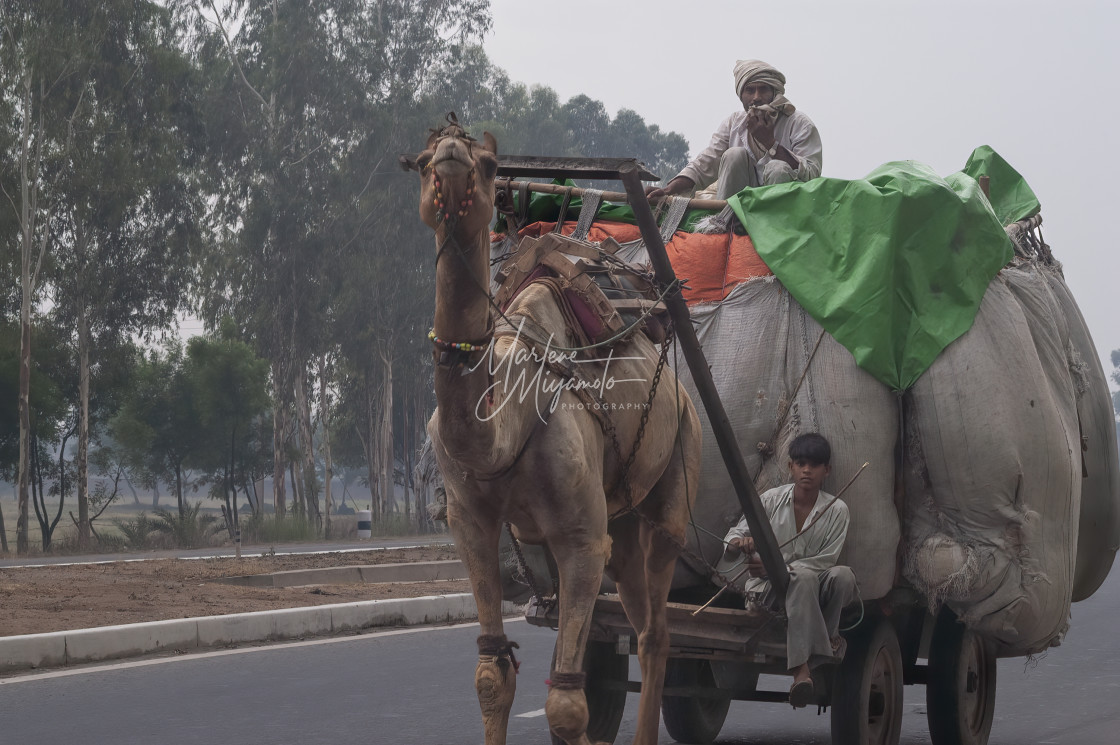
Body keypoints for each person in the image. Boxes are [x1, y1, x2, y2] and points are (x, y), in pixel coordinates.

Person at [717, 432, 856, 708]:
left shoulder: (837, 509)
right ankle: (802, 672)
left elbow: (825, 561)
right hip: (766, 594)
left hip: (813, 589)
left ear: (826, 470)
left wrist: (774, 567)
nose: (807, 470)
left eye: (815, 465)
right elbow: (731, 541)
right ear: (791, 466)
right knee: (802, 578)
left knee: (843, 576)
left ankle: (824, 640)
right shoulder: (770, 500)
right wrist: (739, 544)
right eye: (801, 463)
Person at [649, 59, 823, 200]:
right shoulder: (734, 123)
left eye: (763, 90)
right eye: (750, 91)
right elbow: (705, 163)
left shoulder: (799, 123)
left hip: (785, 210)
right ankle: (727, 225)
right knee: (734, 155)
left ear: (774, 93)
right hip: (738, 209)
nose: (756, 97)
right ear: (741, 95)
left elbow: (812, 175)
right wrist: (668, 190)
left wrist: (770, 143)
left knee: (777, 168)